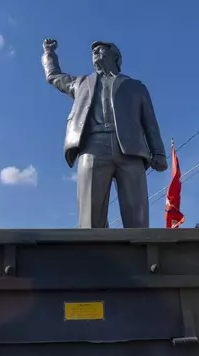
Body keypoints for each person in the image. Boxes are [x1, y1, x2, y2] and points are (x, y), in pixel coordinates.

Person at [41, 39, 168, 228]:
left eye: (101, 50)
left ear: (115, 57)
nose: (95, 53)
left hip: (131, 150)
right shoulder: (81, 83)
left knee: (137, 219)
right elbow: (54, 76)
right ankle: (91, 254)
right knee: (90, 219)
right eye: (93, 51)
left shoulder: (135, 86)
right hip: (93, 148)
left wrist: (158, 153)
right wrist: (49, 54)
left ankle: (142, 255)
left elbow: (150, 122)